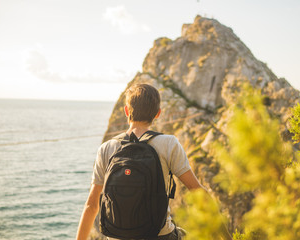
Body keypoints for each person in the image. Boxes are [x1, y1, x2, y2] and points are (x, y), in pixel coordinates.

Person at [76, 83, 205, 240]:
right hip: (160, 235)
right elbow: (196, 190)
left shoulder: (106, 148)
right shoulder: (169, 143)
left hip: (117, 236)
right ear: (157, 113)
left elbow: (92, 205)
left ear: (126, 111)